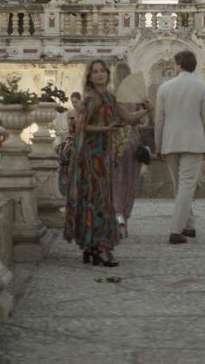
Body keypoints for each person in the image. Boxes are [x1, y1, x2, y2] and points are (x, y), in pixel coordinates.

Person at [63, 60, 150, 266]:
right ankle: (100, 248)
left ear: (108, 74)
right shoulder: (90, 99)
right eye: (95, 72)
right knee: (97, 200)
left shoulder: (110, 98)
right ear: (90, 77)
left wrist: (147, 110)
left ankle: (91, 247)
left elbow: (128, 118)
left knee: (101, 199)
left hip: (105, 155)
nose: (100, 74)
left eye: (102, 71)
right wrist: (106, 129)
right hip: (90, 156)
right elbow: (81, 127)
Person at [154, 49, 205, 244]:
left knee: (180, 186)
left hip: (170, 141)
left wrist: (158, 144)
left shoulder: (164, 88)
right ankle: (176, 230)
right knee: (187, 186)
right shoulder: (203, 87)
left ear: (178, 66)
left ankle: (189, 225)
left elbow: (159, 119)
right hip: (193, 142)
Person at [112, 100, 150, 237]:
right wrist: (145, 110)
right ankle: (124, 220)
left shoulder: (111, 98)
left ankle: (118, 219)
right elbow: (142, 121)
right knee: (130, 184)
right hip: (132, 143)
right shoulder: (137, 99)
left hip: (114, 142)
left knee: (115, 185)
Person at [57, 91, 82, 192]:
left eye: (76, 102)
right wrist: (72, 123)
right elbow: (70, 130)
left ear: (80, 101)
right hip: (72, 137)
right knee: (63, 152)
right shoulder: (70, 113)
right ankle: (66, 178)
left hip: (82, 136)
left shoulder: (85, 112)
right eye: (72, 102)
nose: (74, 104)